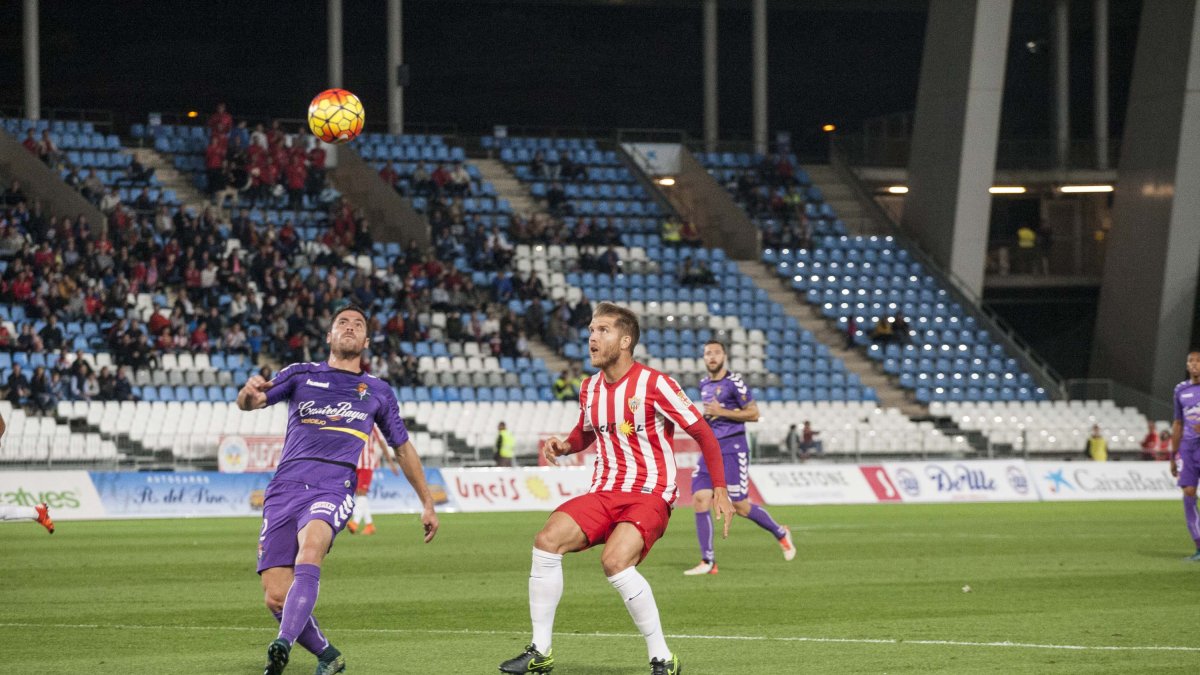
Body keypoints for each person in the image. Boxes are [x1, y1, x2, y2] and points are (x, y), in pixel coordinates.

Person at [499, 302, 734, 675]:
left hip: (649, 494)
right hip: (605, 492)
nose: (592, 337)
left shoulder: (656, 384)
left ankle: (662, 657)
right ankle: (539, 651)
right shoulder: (589, 387)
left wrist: (720, 487)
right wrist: (565, 444)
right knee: (546, 540)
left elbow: (702, 432)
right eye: (591, 330)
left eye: (603, 330)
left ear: (625, 341)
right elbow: (586, 432)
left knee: (614, 562)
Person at [237, 305, 440, 675]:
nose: (350, 327)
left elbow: (403, 448)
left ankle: (281, 645)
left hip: (333, 486)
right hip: (284, 488)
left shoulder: (378, 391)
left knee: (312, 547)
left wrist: (427, 502)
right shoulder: (301, 374)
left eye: (358, 325)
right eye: (342, 323)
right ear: (329, 336)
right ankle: (329, 656)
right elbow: (253, 402)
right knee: (276, 596)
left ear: (365, 341)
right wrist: (247, 394)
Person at [685, 340, 794, 576]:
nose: (711, 357)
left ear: (724, 356)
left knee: (740, 506)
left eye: (716, 352)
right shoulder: (704, 383)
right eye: (707, 353)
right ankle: (708, 561)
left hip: (733, 449)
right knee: (700, 498)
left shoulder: (735, 383)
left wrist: (721, 412)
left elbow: (754, 414)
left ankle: (780, 532)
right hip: (710, 449)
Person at [1170, 350, 1200, 561]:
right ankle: (1199, 546)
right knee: (1188, 493)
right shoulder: (1181, 390)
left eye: (1198, 361)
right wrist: (1173, 454)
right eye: (1191, 360)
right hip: (1188, 449)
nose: (1194, 364)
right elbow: (1178, 423)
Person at [347, 426, 401, 536]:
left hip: (367, 464)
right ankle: (369, 525)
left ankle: (355, 522)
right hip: (355, 464)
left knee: (362, 492)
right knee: (359, 494)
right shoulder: (353, 421)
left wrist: (390, 462)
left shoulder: (371, 424)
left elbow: (381, 442)